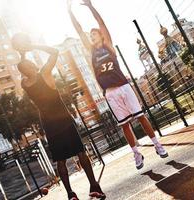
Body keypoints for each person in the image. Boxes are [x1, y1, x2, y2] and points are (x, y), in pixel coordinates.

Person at [67, 0, 168, 170]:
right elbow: (79, 32)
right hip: (110, 93)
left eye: (94, 34)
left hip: (123, 86)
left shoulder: (108, 46)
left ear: (101, 36)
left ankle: (158, 145)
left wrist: (90, 6)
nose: (91, 37)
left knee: (141, 117)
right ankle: (137, 153)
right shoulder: (92, 52)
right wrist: (70, 12)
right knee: (124, 125)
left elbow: (101, 23)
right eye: (90, 36)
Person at [12, 34, 106, 200]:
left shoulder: (25, 83)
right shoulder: (45, 73)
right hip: (63, 119)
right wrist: (32, 45)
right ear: (32, 66)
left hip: (49, 125)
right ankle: (94, 186)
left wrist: (22, 52)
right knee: (81, 153)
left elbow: (23, 68)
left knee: (61, 161)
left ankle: (70, 194)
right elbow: (54, 52)